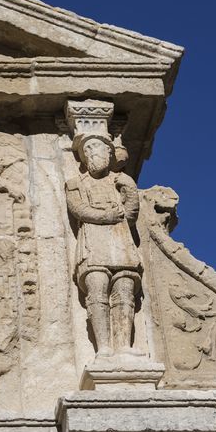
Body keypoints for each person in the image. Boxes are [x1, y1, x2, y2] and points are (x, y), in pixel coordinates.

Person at [65, 135, 142, 357]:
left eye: (96, 148)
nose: (91, 154)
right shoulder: (75, 184)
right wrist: (107, 215)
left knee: (125, 289)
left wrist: (129, 190)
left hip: (121, 241)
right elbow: (79, 210)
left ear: (109, 153)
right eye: (87, 150)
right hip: (92, 242)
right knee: (97, 289)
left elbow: (130, 215)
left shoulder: (120, 181)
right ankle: (104, 348)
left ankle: (124, 346)